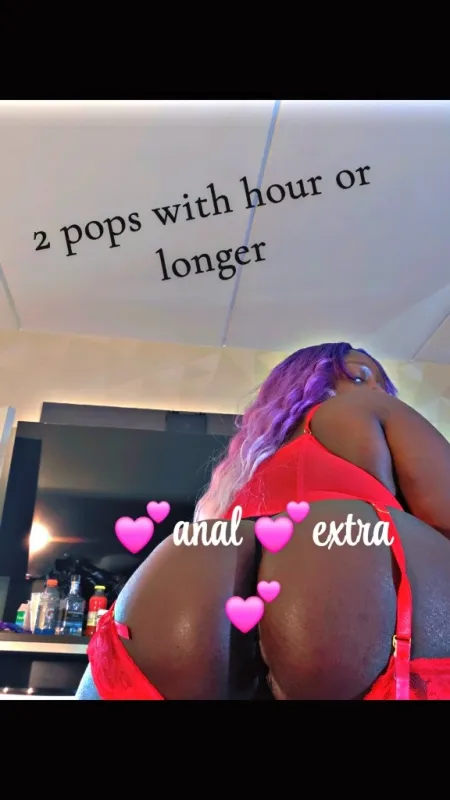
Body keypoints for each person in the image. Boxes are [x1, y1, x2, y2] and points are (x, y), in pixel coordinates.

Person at [76, 342, 450, 700]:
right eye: (369, 377)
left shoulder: (254, 458)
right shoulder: (367, 407)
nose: (380, 389)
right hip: (345, 558)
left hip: (190, 567)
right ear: (355, 375)